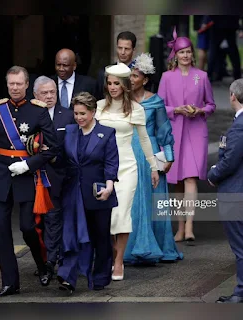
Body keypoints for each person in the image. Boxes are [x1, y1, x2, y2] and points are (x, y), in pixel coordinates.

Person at [0, 66, 59, 297]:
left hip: (26, 175)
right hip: (2, 175)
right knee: (2, 230)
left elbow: (53, 147)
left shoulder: (38, 110)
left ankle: (42, 263)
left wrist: (28, 164)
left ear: (27, 85)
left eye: (19, 84)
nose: (15, 88)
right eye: (11, 84)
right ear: (7, 85)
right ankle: (10, 283)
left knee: (27, 227)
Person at [96, 63, 159, 280]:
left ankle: (119, 260)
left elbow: (144, 139)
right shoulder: (98, 107)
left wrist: (153, 166)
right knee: (106, 216)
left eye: (116, 83)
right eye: (109, 83)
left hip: (127, 167)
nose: (112, 87)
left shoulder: (135, 109)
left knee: (122, 213)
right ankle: (113, 252)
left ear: (124, 85)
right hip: (102, 168)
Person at [158, 28, 216, 244]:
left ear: (192, 54)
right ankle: (180, 227)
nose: (185, 56)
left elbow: (211, 104)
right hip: (174, 132)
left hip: (196, 131)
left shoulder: (202, 77)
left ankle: (190, 225)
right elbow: (160, 106)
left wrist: (200, 110)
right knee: (177, 182)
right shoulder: (166, 77)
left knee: (191, 177)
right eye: (181, 52)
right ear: (176, 55)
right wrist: (176, 110)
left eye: (189, 52)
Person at [57, 92, 119, 294]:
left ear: (93, 112)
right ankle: (68, 277)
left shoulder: (106, 133)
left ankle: (100, 276)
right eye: (76, 113)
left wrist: (109, 186)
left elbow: (111, 162)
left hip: (98, 192)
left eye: (83, 113)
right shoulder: (69, 131)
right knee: (71, 234)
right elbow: (60, 159)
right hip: (73, 193)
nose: (79, 118)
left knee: (100, 237)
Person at [124, 53, 183, 264]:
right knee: (130, 201)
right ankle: (130, 247)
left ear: (145, 79)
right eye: (129, 76)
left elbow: (164, 131)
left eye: (135, 76)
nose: (131, 80)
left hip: (150, 154)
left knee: (153, 199)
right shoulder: (122, 100)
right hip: (128, 153)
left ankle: (157, 246)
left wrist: (169, 158)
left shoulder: (156, 101)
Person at [32, 76, 74, 278]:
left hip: (57, 176)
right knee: (32, 223)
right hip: (31, 178)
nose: (49, 96)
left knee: (53, 219)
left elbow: (73, 147)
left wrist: (53, 155)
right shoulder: (28, 115)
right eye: (44, 93)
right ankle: (41, 261)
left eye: (52, 92)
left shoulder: (67, 116)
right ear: (35, 95)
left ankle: (50, 262)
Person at [208, 79, 243, 303]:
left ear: (232, 96)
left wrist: (213, 174)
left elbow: (231, 160)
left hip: (235, 193)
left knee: (240, 246)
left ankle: (241, 292)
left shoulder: (239, 126)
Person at [96, 31, 137, 100]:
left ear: (133, 50)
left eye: (126, 49)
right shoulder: (103, 72)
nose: (122, 52)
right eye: (120, 48)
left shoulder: (139, 73)